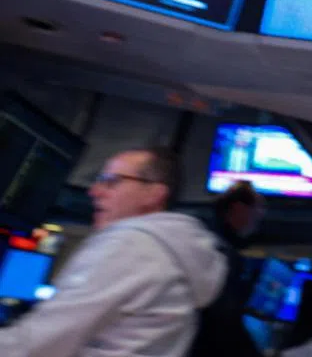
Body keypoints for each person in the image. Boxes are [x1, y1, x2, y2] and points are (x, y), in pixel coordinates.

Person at [0, 146, 226, 356]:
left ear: (154, 194)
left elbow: (37, 344)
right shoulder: (177, 251)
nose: (94, 191)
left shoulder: (133, 244)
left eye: (111, 181)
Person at [189, 180, 266, 357]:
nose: (260, 217)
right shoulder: (224, 253)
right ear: (239, 209)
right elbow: (226, 323)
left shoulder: (207, 235)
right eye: (258, 210)